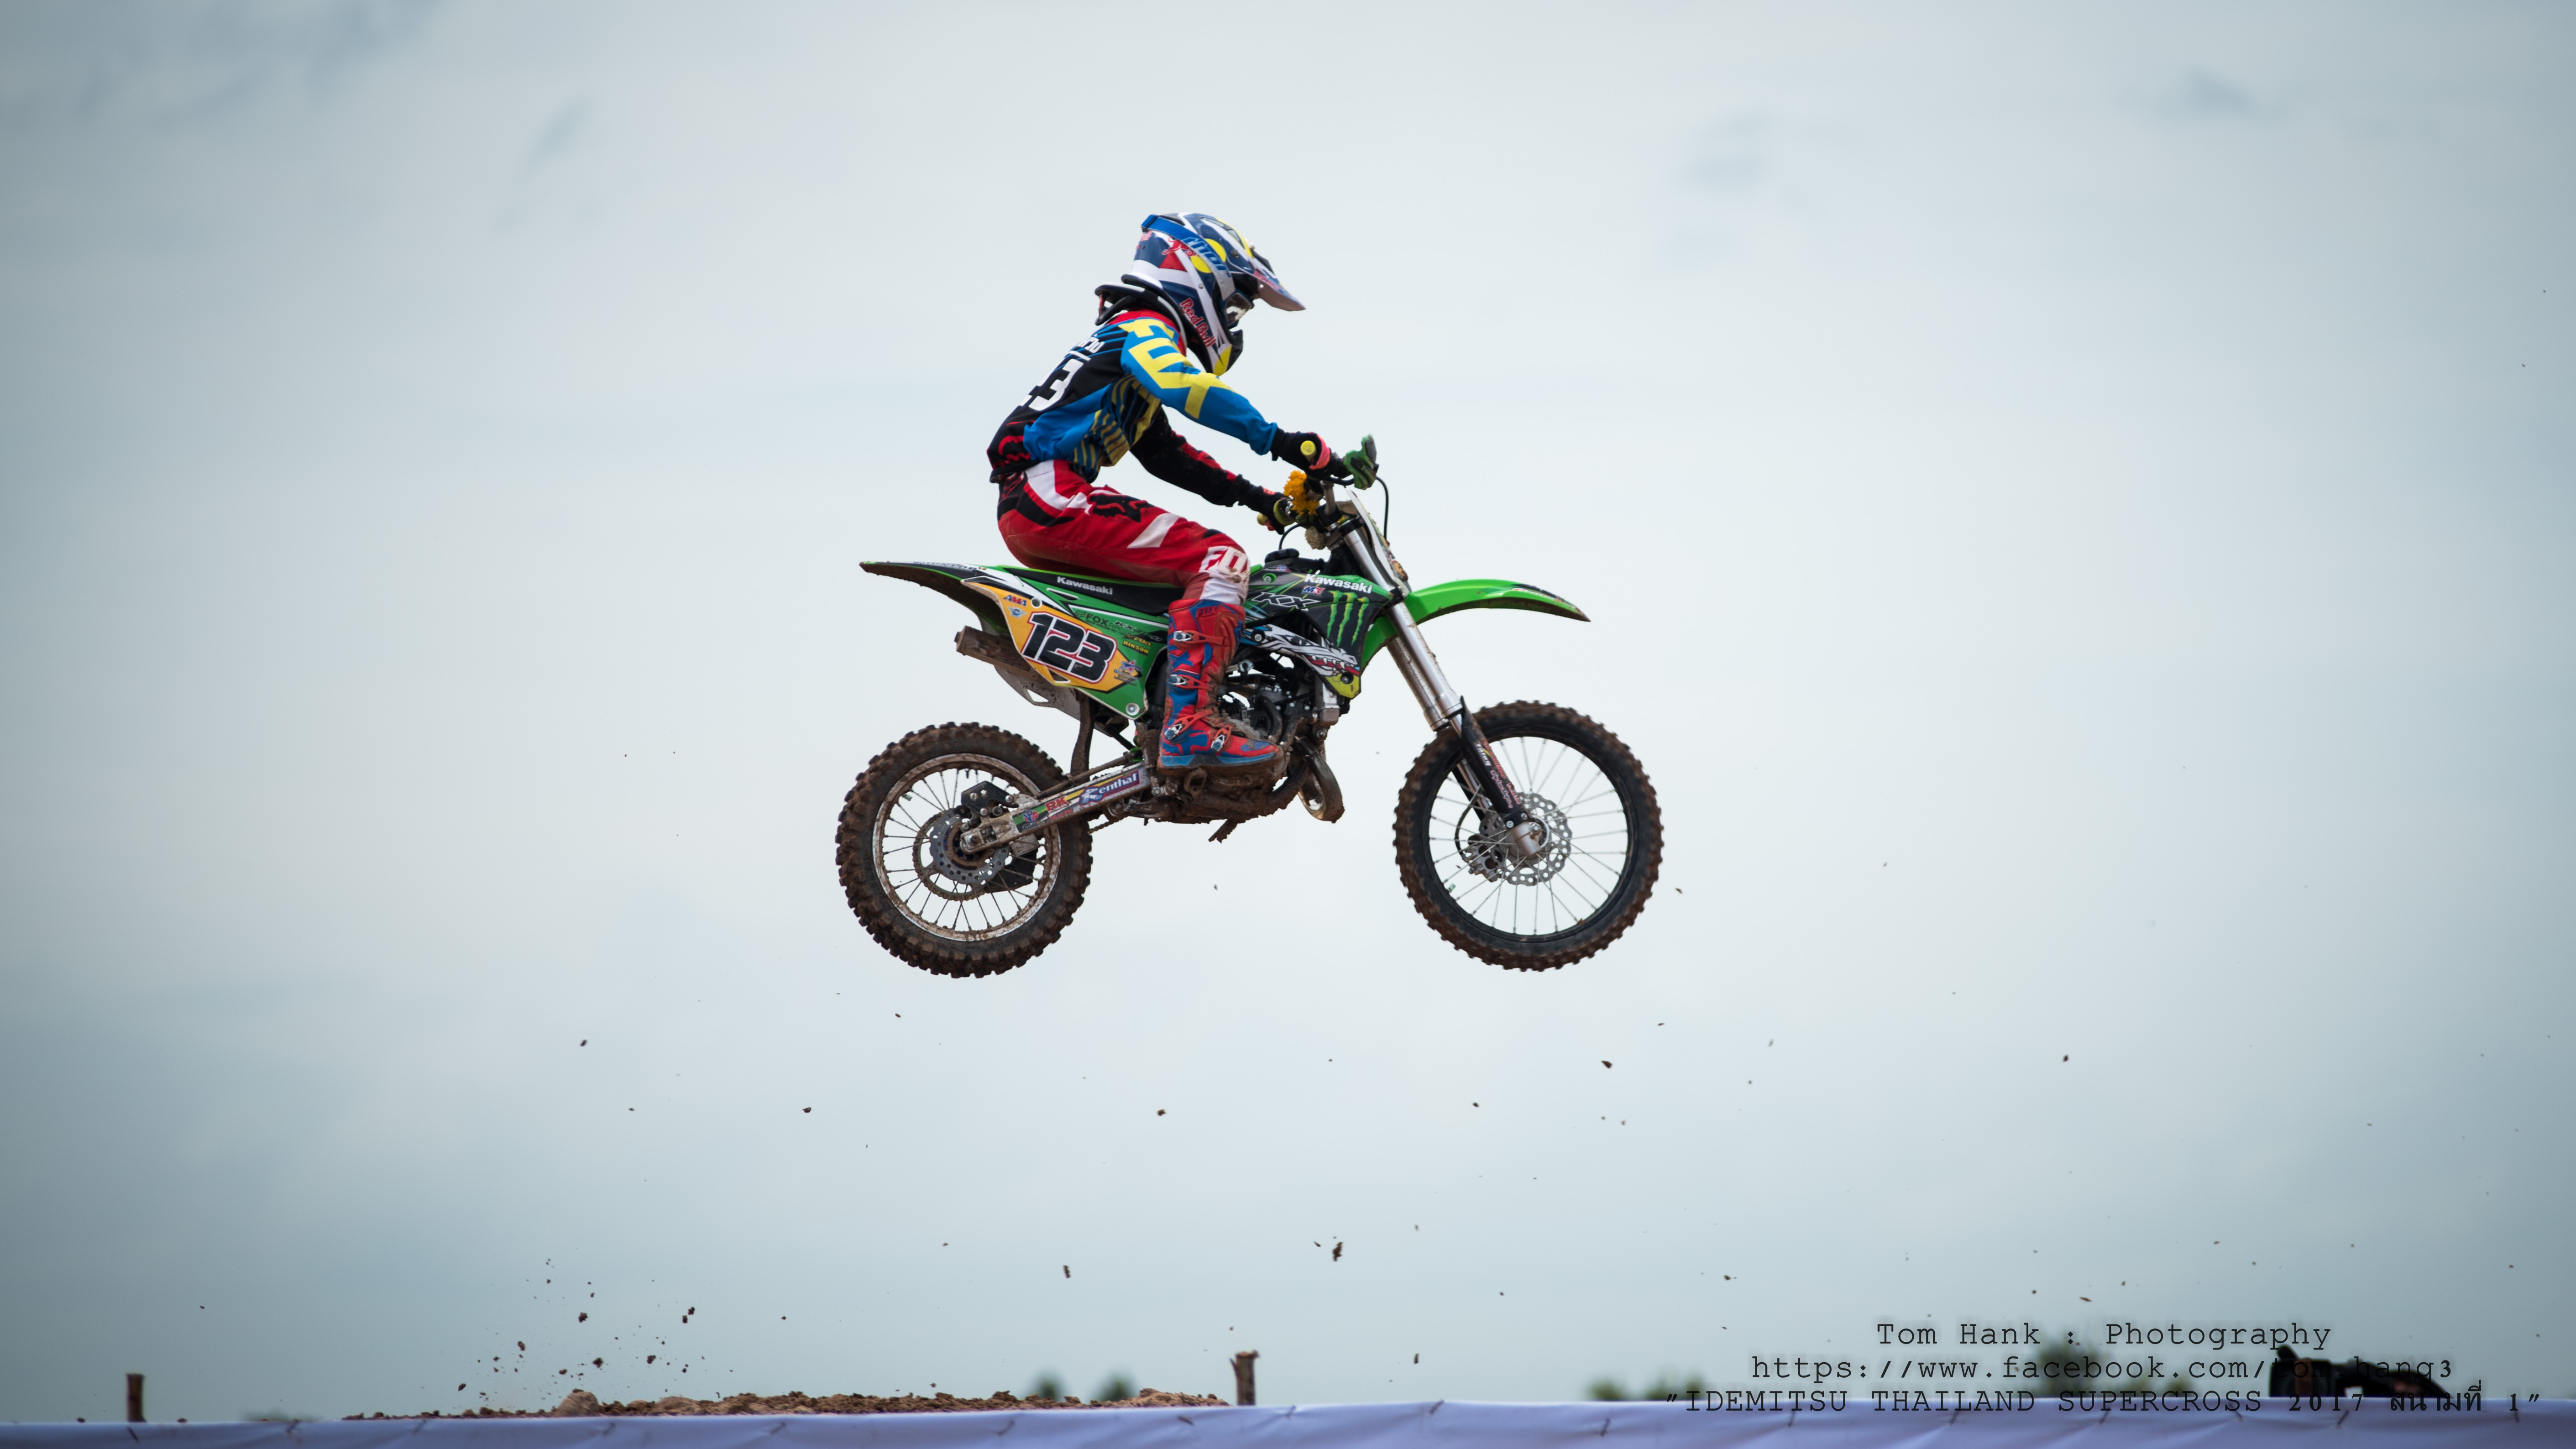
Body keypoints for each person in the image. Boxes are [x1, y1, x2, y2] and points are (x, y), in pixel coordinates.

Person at [986, 212, 1334, 772]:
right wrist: (1278, 440)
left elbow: (1168, 455)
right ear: (1197, 274)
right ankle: (1189, 726)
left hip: (1038, 500)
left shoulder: (1121, 345)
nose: (1234, 321)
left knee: (1190, 577)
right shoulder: (1145, 326)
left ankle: (1161, 711)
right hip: (1049, 493)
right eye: (1235, 305)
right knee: (1221, 560)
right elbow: (1182, 385)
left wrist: (1260, 498)